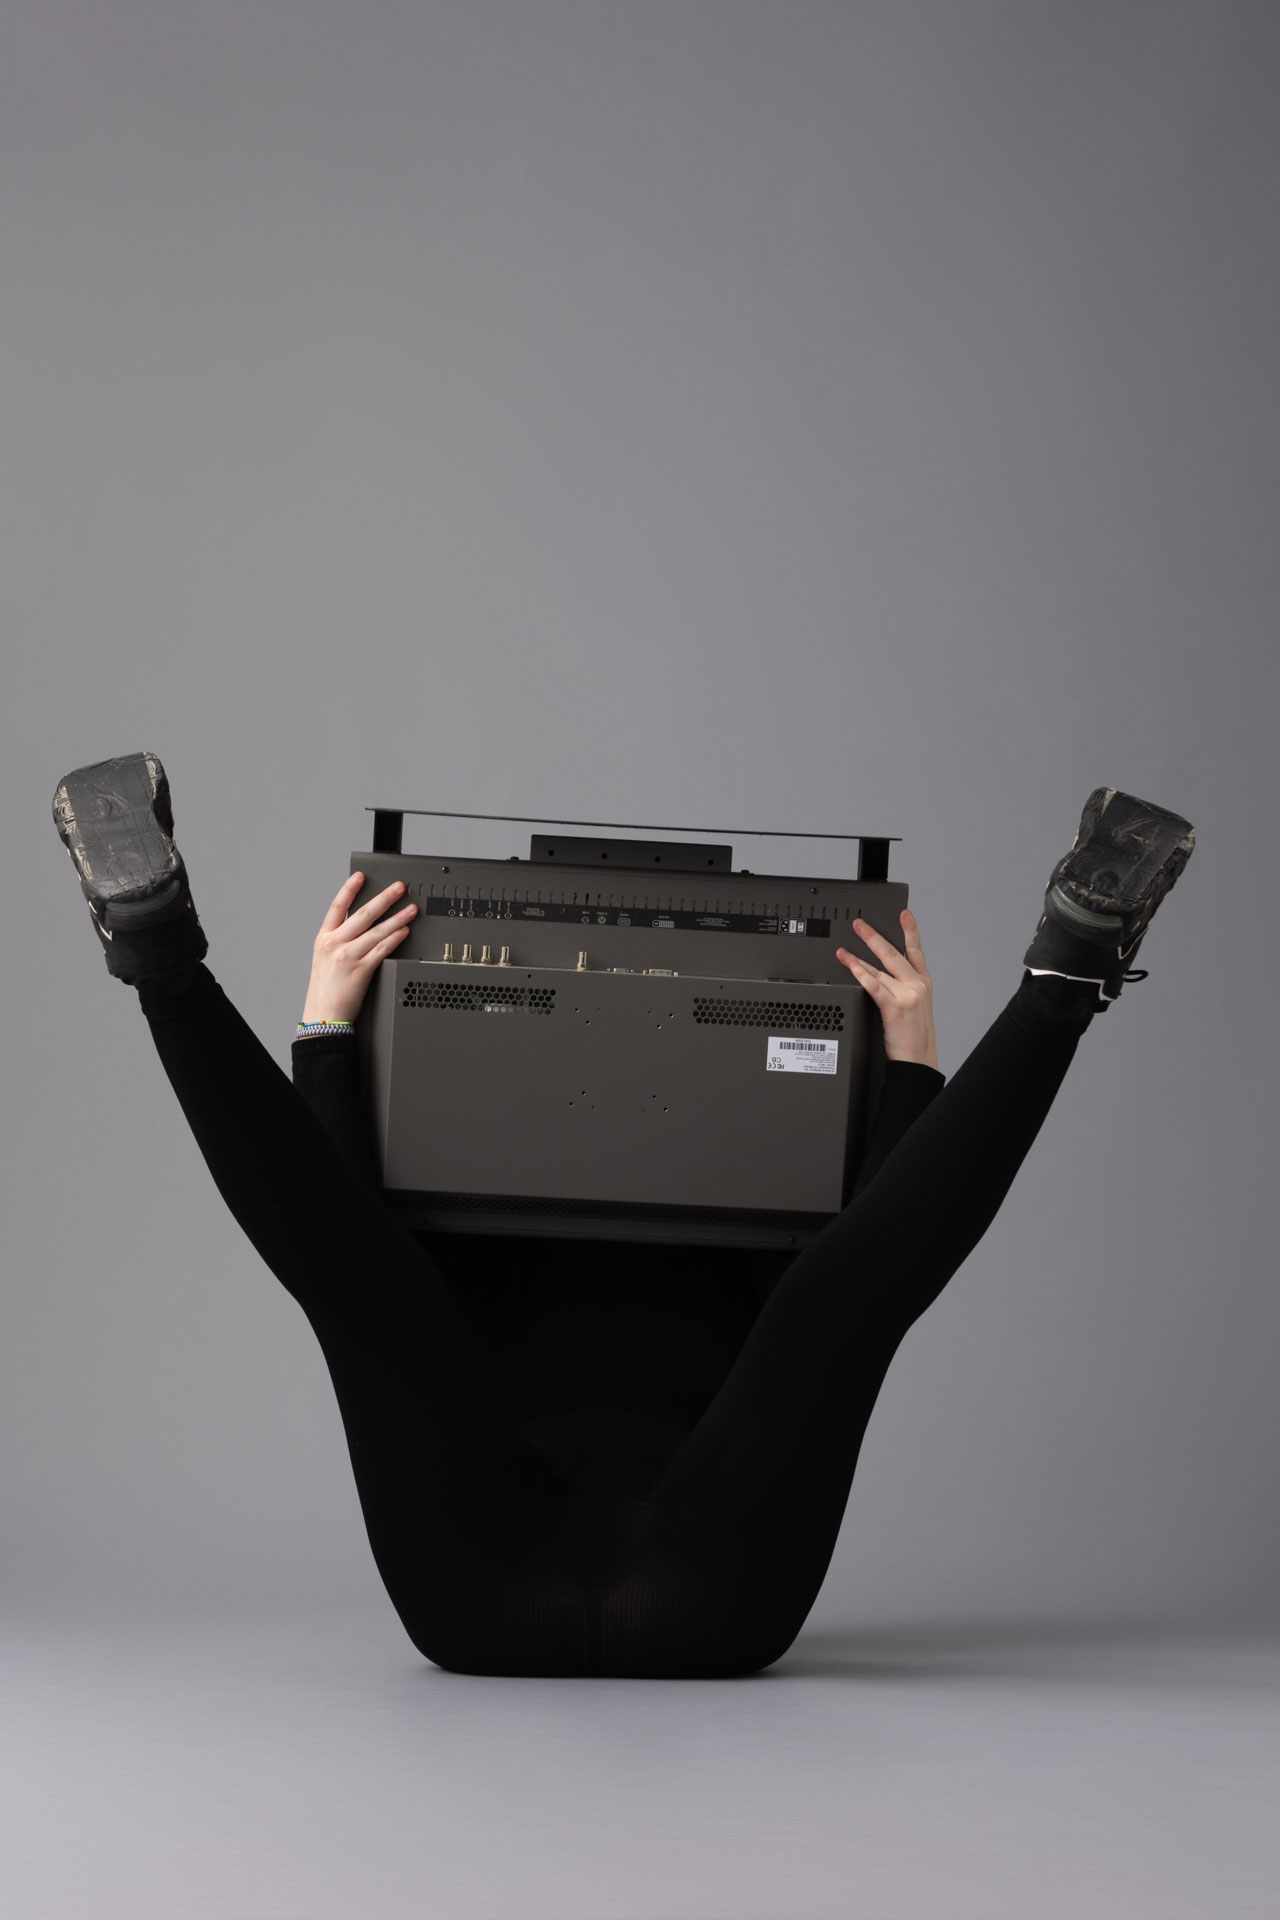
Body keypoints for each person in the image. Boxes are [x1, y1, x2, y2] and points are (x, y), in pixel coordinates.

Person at [51, 755, 1195, 1679]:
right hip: (599, 1578)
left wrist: (904, 1065)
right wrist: (328, 1032)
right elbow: (355, 1240)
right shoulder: (450, 1150)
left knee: (821, 1314)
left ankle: (161, 964)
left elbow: (859, 1252)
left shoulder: (764, 1174)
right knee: (380, 1302)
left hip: (594, 1578)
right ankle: (1067, 980)